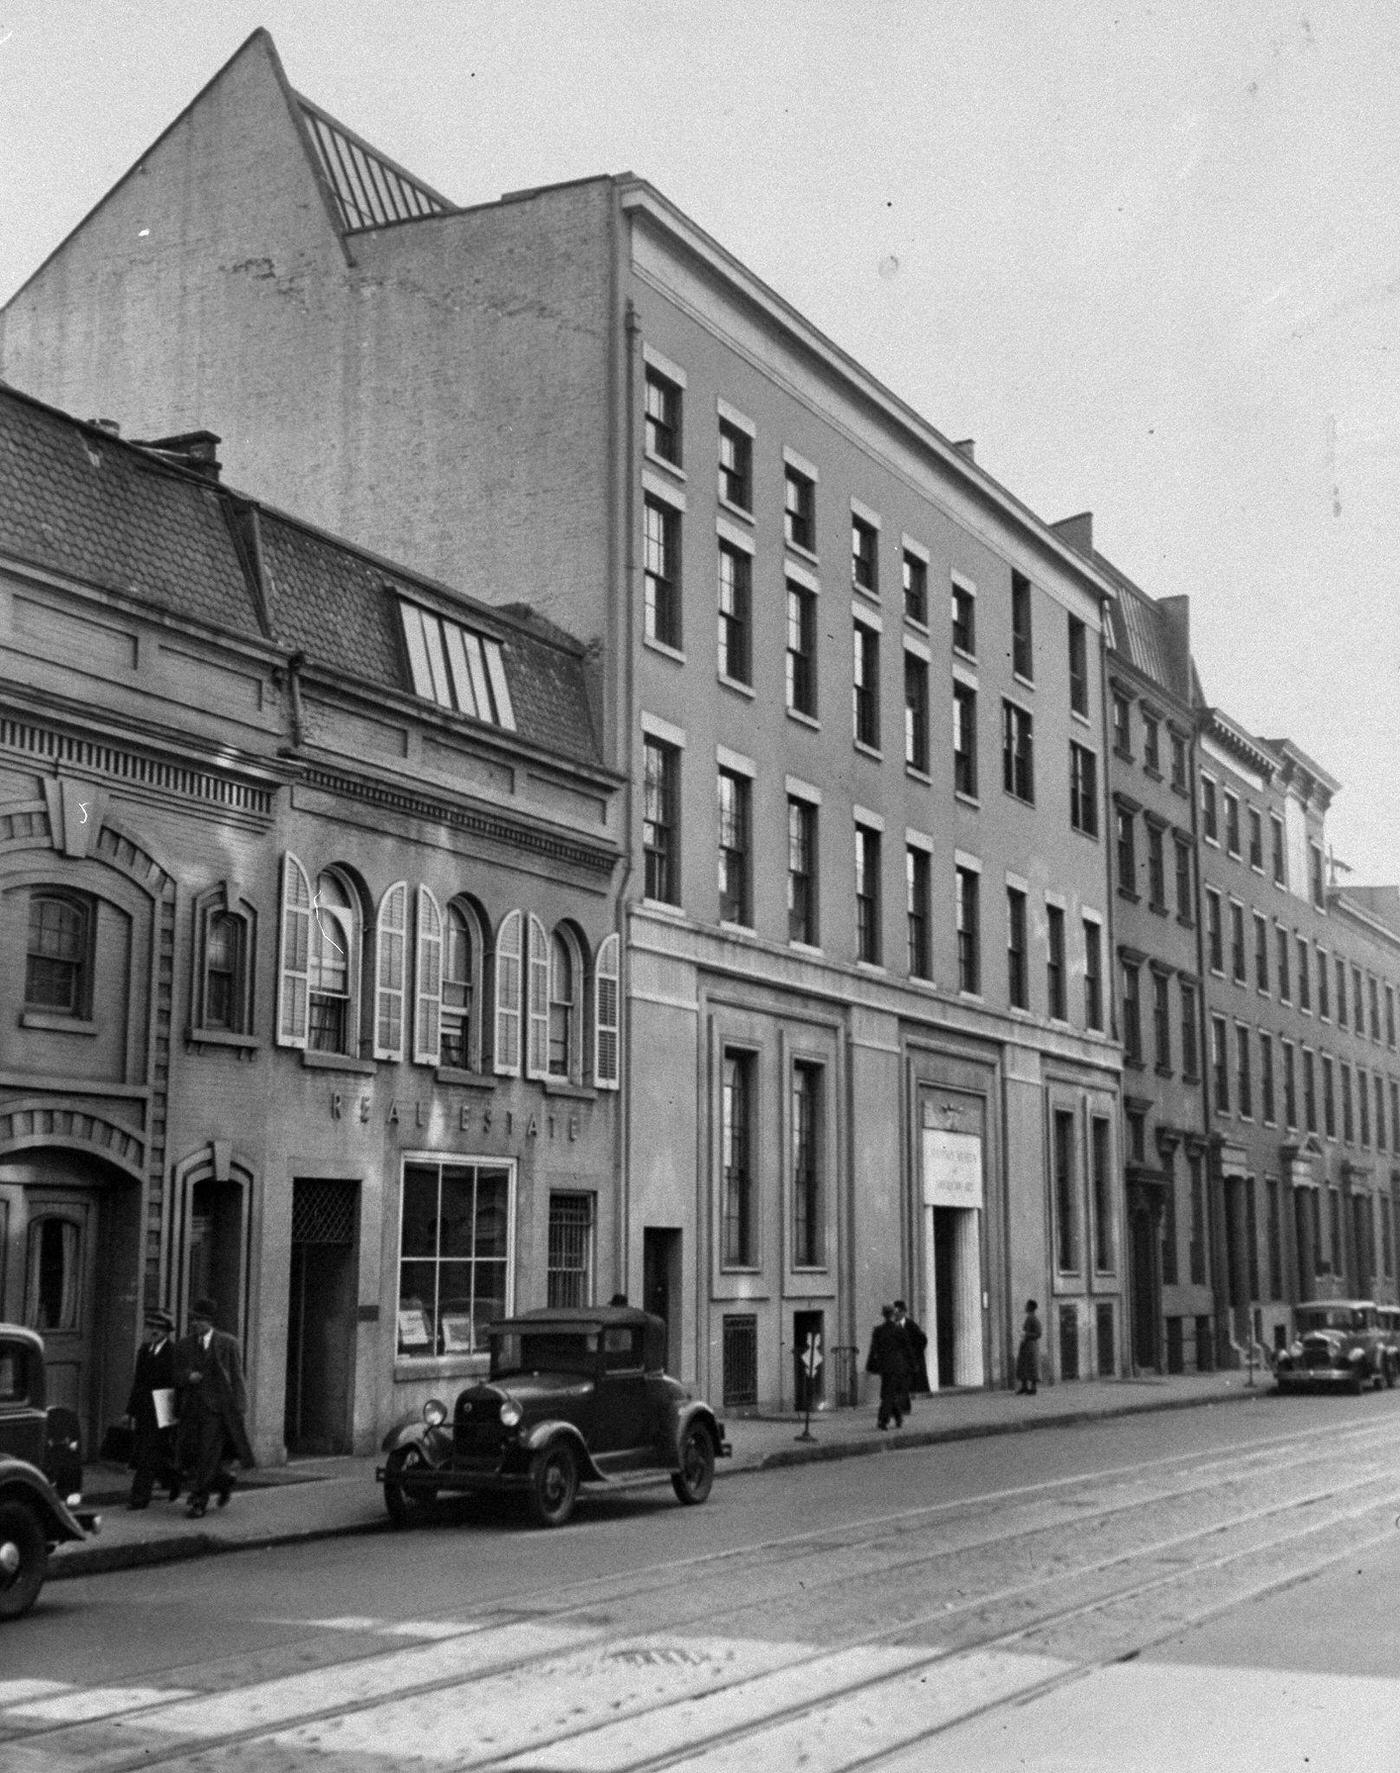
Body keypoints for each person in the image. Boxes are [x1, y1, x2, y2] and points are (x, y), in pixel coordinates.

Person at [175, 1297, 253, 1517]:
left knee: (207, 1454)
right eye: (193, 1320)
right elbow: (176, 1374)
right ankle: (224, 1481)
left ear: (210, 1321)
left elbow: (237, 1375)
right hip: (191, 1409)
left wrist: (240, 1405)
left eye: (199, 1320)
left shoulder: (228, 1343)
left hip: (218, 1411)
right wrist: (187, 1377)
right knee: (191, 1453)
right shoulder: (184, 1345)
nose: (195, 1324)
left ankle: (199, 1501)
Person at [124, 1307, 181, 1509]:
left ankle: (139, 1498)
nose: (154, 1331)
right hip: (144, 1409)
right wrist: (129, 1411)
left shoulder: (173, 1353)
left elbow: (176, 1383)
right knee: (154, 1452)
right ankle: (173, 1479)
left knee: (149, 1453)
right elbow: (138, 1383)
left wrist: (176, 1413)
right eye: (152, 1327)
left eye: (159, 1328)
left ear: (167, 1332)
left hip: (164, 1405)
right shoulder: (144, 1351)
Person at [865, 1304, 911, 1430]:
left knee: (888, 1393)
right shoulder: (900, 1330)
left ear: (884, 1315)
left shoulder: (878, 1330)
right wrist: (912, 1365)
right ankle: (892, 1418)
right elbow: (907, 1349)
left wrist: (870, 1366)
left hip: (884, 1367)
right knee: (889, 1394)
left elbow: (873, 1350)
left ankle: (886, 1419)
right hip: (897, 1366)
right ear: (893, 1315)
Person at [892, 1300, 929, 1407]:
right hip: (898, 1360)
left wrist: (915, 1353)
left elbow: (922, 1339)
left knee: (904, 1383)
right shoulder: (894, 1325)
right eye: (894, 1312)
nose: (896, 1314)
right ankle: (902, 1406)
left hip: (908, 1360)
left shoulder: (910, 1325)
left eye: (898, 1311)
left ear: (903, 1312)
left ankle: (904, 1406)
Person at [1016, 1298, 1043, 1396]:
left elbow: (1038, 1333)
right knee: (1023, 1366)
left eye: (1027, 1305)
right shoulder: (1029, 1318)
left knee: (1032, 1366)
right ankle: (1024, 1387)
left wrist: (1025, 1334)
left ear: (1030, 1307)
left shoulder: (1033, 1319)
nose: (1025, 1307)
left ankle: (1033, 1388)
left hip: (1031, 1346)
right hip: (1026, 1345)